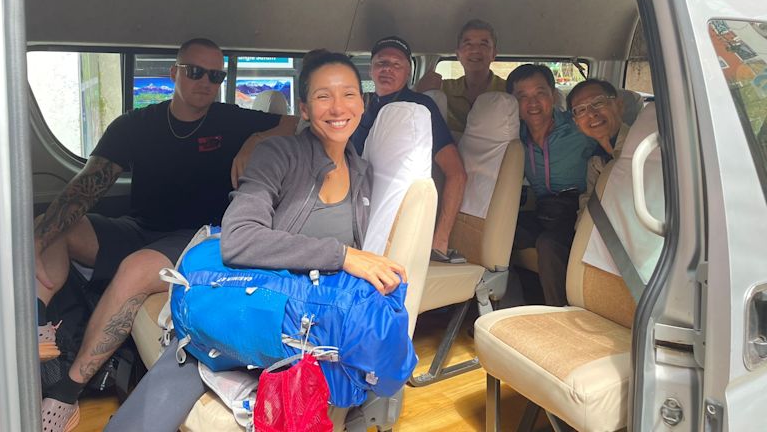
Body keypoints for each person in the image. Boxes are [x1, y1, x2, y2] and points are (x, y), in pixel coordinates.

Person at [103, 51, 406, 431]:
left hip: (311, 318)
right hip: (254, 300)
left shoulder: (362, 171)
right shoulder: (277, 155)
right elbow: (239, 240)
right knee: (174, 379)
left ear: (362, 103)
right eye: (323, 96)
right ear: (305, 109)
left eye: (348, 94)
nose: (337, 107)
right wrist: (341, 256)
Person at [37, 38, 298, 431]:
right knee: (53, 223)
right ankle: (37, 324)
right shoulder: (134, 125)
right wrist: (38, 240)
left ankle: (65, 395)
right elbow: (85, 188)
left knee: (135, 269)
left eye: (216, 75)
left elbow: (293, 121)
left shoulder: (231, 119)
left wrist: (257, 140)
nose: (205, 82)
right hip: (138, 227)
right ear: (174, 73)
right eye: (195, 72)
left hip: (197, 239)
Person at [351, 36, 468, 263]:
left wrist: (440, 240)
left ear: (408, 74)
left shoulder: (419, 110)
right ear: (371, 69)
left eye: (397, 65)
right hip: (363, 214)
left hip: (397, 226)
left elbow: (457, 174)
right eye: (381, 63)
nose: (387, 69)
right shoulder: (362, 106)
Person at [507, 64, 595, 307]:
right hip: (544, 211)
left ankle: (559, 315)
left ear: (553, 94)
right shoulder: (514, 134)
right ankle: (502, 306)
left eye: (540, 93)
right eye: (522, 96)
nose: (532, 103)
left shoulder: (578, 127)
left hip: (578, 211)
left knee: (549, 244)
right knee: (502, 230)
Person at [415, 19, 506, 133]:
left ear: (493, 54)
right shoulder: (443, 89)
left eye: (483, 44)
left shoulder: (507, 91)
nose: (475, 50)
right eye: (468, 44)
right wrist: (421, 92)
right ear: (458, 54)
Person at [567, 79, 630, 215]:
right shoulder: (595, 162)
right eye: (581, 110)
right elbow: (589, 206)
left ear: (619, 105)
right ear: (576, 122)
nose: (591, 113)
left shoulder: (643, 148)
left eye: (598, 102)